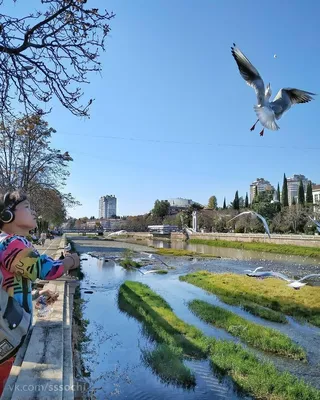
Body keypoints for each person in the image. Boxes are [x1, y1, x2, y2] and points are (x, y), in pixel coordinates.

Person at [0, 190, 80, 395]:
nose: (33, 212)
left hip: (11, 323)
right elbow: (40, 268)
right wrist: (70, 262)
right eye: (26, 207)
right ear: (7, 215)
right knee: (5, 380)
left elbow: (38, 264)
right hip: (8, 329)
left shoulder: (16, 242)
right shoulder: (10, 243)